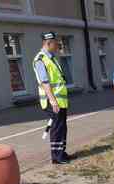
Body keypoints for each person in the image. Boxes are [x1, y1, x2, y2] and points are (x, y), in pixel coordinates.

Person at [33, 32, 70, 164]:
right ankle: (56, 156)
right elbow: (45, 82)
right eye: (55, 43)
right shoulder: (40, 59)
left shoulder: (51, 58)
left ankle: (62, 152)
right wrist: (53, 101)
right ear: (48, 43)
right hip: (51, 101)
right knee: (57, 127)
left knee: (62, 126)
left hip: (60, 100)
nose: (57, 45)